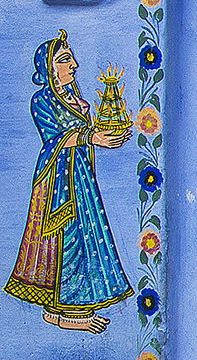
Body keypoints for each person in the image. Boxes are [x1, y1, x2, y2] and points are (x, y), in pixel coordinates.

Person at [6, 30, 132, 331]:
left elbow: (86, 133)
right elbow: (54, 138)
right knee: (67, 238)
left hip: (80, 177)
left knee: (86, 237)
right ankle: (66, 314)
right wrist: (92, 137)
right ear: (49, 69)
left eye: (71, 59)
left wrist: (103, 134)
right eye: (64, 60)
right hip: (56, 181)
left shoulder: (77, 100)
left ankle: (65, 309)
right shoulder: (41, 101)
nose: (73, 65)